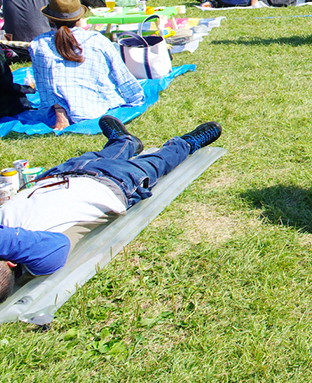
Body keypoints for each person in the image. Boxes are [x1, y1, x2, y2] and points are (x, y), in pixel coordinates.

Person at [0, 117, 222, 293]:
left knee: (103, 155)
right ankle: (186, 143)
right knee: (158, 162)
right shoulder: (45, 257)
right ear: (11, 262)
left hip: (59, 176)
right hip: (114, 184)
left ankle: (125, 142)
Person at [31, 0, 145, 130]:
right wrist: (136, 99)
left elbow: (47, 85)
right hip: (103, 105)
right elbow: (120, 75)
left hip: (64, 114)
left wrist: (61, 116)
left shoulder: (38, 45)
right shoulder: (97, 40)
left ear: (50, 19)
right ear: (79, 18)